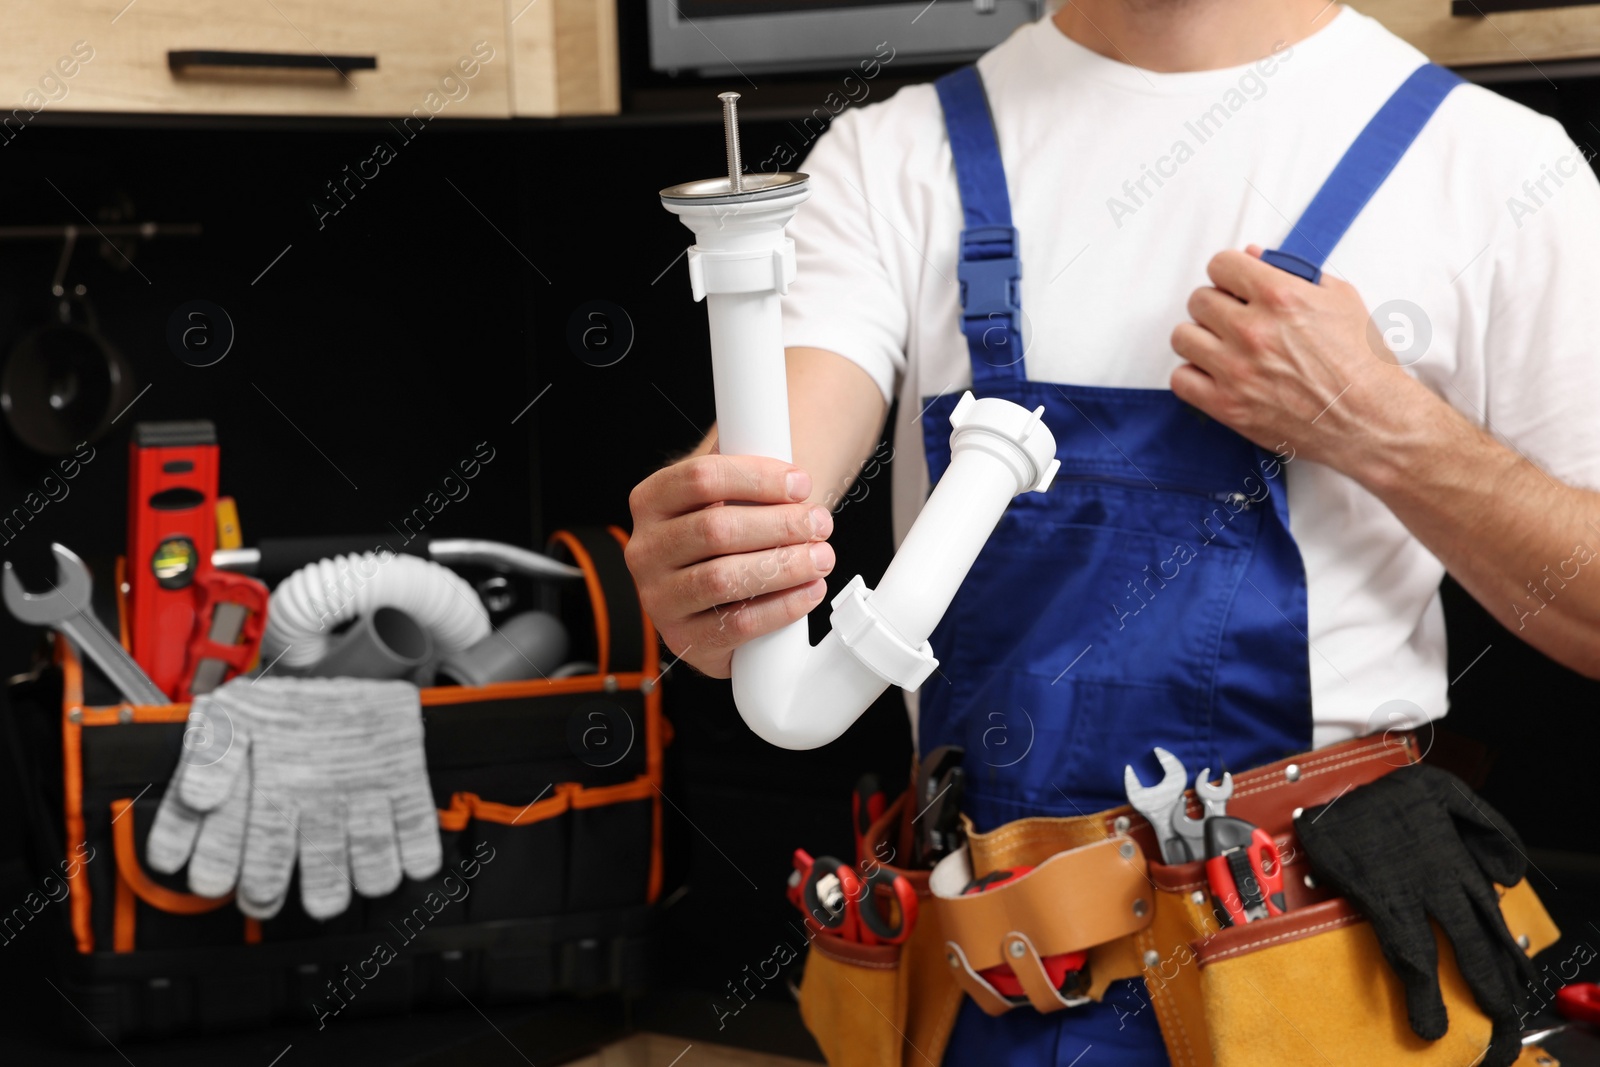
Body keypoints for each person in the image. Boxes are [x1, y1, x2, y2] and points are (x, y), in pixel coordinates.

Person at [625, 0, 1600, 1062]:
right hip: (980, 987)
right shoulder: (893, 156)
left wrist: (1386, 429)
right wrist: (716, 580)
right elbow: (760, 511)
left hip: (1318, 986)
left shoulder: (1490, 163)